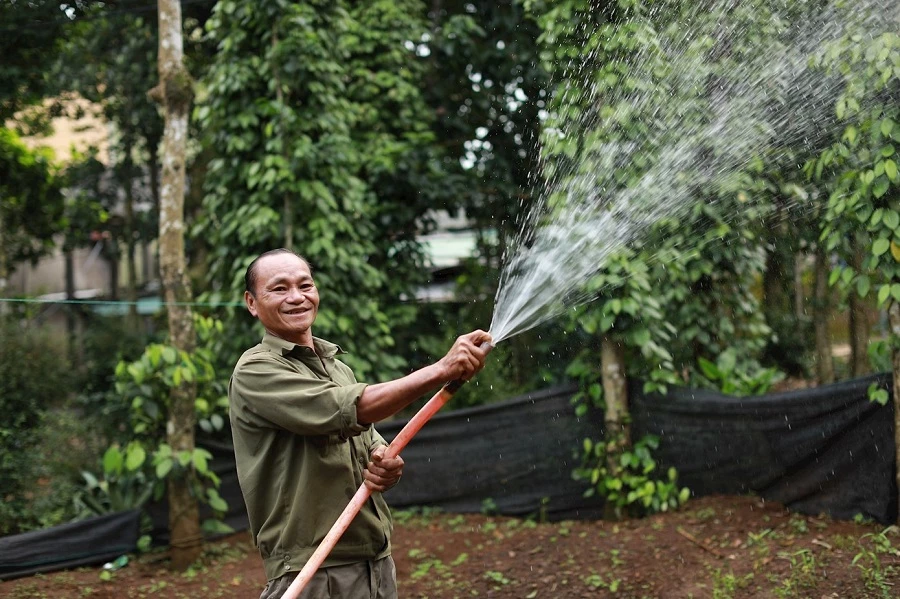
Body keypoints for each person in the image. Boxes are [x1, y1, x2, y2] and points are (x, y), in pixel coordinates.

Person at [229, 248, 492, 599]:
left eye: (305, 285)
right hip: (313, 570)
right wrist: (441, 369)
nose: (296, 297)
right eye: (279, 289)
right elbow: (347, 408)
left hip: (374, 561)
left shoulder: (337, 368)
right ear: (252, 302)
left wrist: (385, 462)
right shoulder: (255, 370)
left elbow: (370, 442)